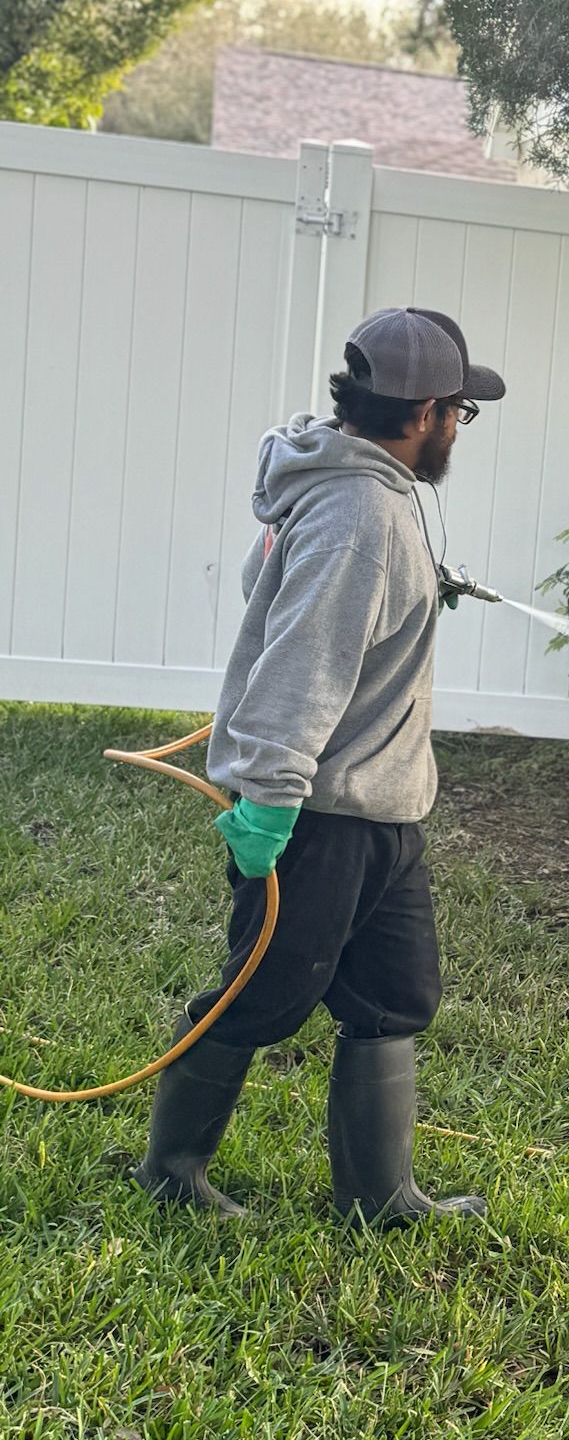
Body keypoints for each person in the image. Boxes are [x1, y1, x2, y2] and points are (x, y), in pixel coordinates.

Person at [132, 306, 505, 1226]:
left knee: (394, 997)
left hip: (385, 811)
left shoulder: (364, 494)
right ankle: (171, 1173)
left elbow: (336, 609)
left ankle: (380, 1198)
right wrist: (266, 805)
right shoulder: (358, 517)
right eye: (459, 409)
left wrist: (425, 587)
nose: (460, 426)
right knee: (263, 992)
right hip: (321, 814)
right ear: (422, 412)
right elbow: (301, 666)